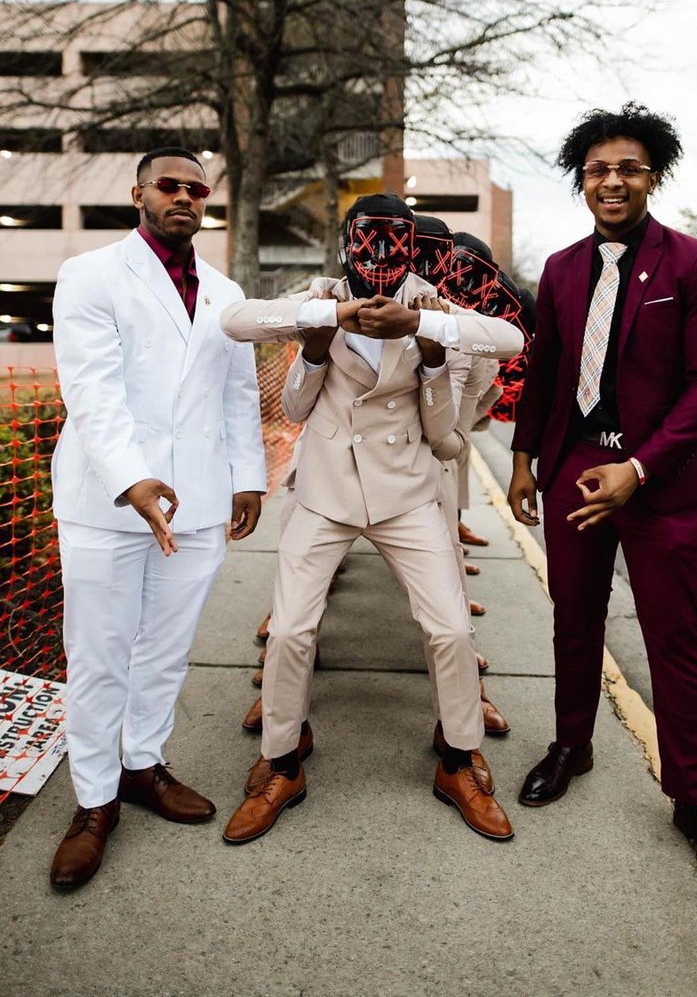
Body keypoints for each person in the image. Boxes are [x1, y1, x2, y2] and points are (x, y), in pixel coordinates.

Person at [508, 104, 697, 896]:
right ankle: (571, 746)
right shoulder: (560, 269)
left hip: (663, 481)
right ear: (582, 183)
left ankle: (696, 803)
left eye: (628, 168)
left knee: (673, 637)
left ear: (653, 176)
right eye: (597, 170)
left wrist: (640, 470)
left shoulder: (696, 264)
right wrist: (523, 458)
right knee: (572, 618)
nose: (611, 181)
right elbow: (544, 373)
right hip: (576, 466)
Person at [219, 193, 523, 844]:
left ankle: (458, 759)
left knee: (449, 630)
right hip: (326, 492)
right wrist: (324, 333)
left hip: (406, 494)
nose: (381, 254)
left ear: (411, 245)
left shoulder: (429, 303)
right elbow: (250, 339)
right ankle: (281, 760)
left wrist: (431, 338)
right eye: (368, 238)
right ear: (347, 241)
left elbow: (506, 343)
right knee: (292, 631)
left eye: (396, 240)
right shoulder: (319, 295)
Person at [49, 147, 266, 889]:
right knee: (100, 655)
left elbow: (239, 394)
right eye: (169, 185)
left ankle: (142, 765)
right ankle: (93, 801)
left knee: (166, 652)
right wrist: (133, 480)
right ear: (138, 191)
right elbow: (91, 390)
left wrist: (249, 479)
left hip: (199, 502)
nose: (183, 196)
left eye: (196, 189)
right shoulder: (91, 274)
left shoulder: (226, 290)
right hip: (108, 504)